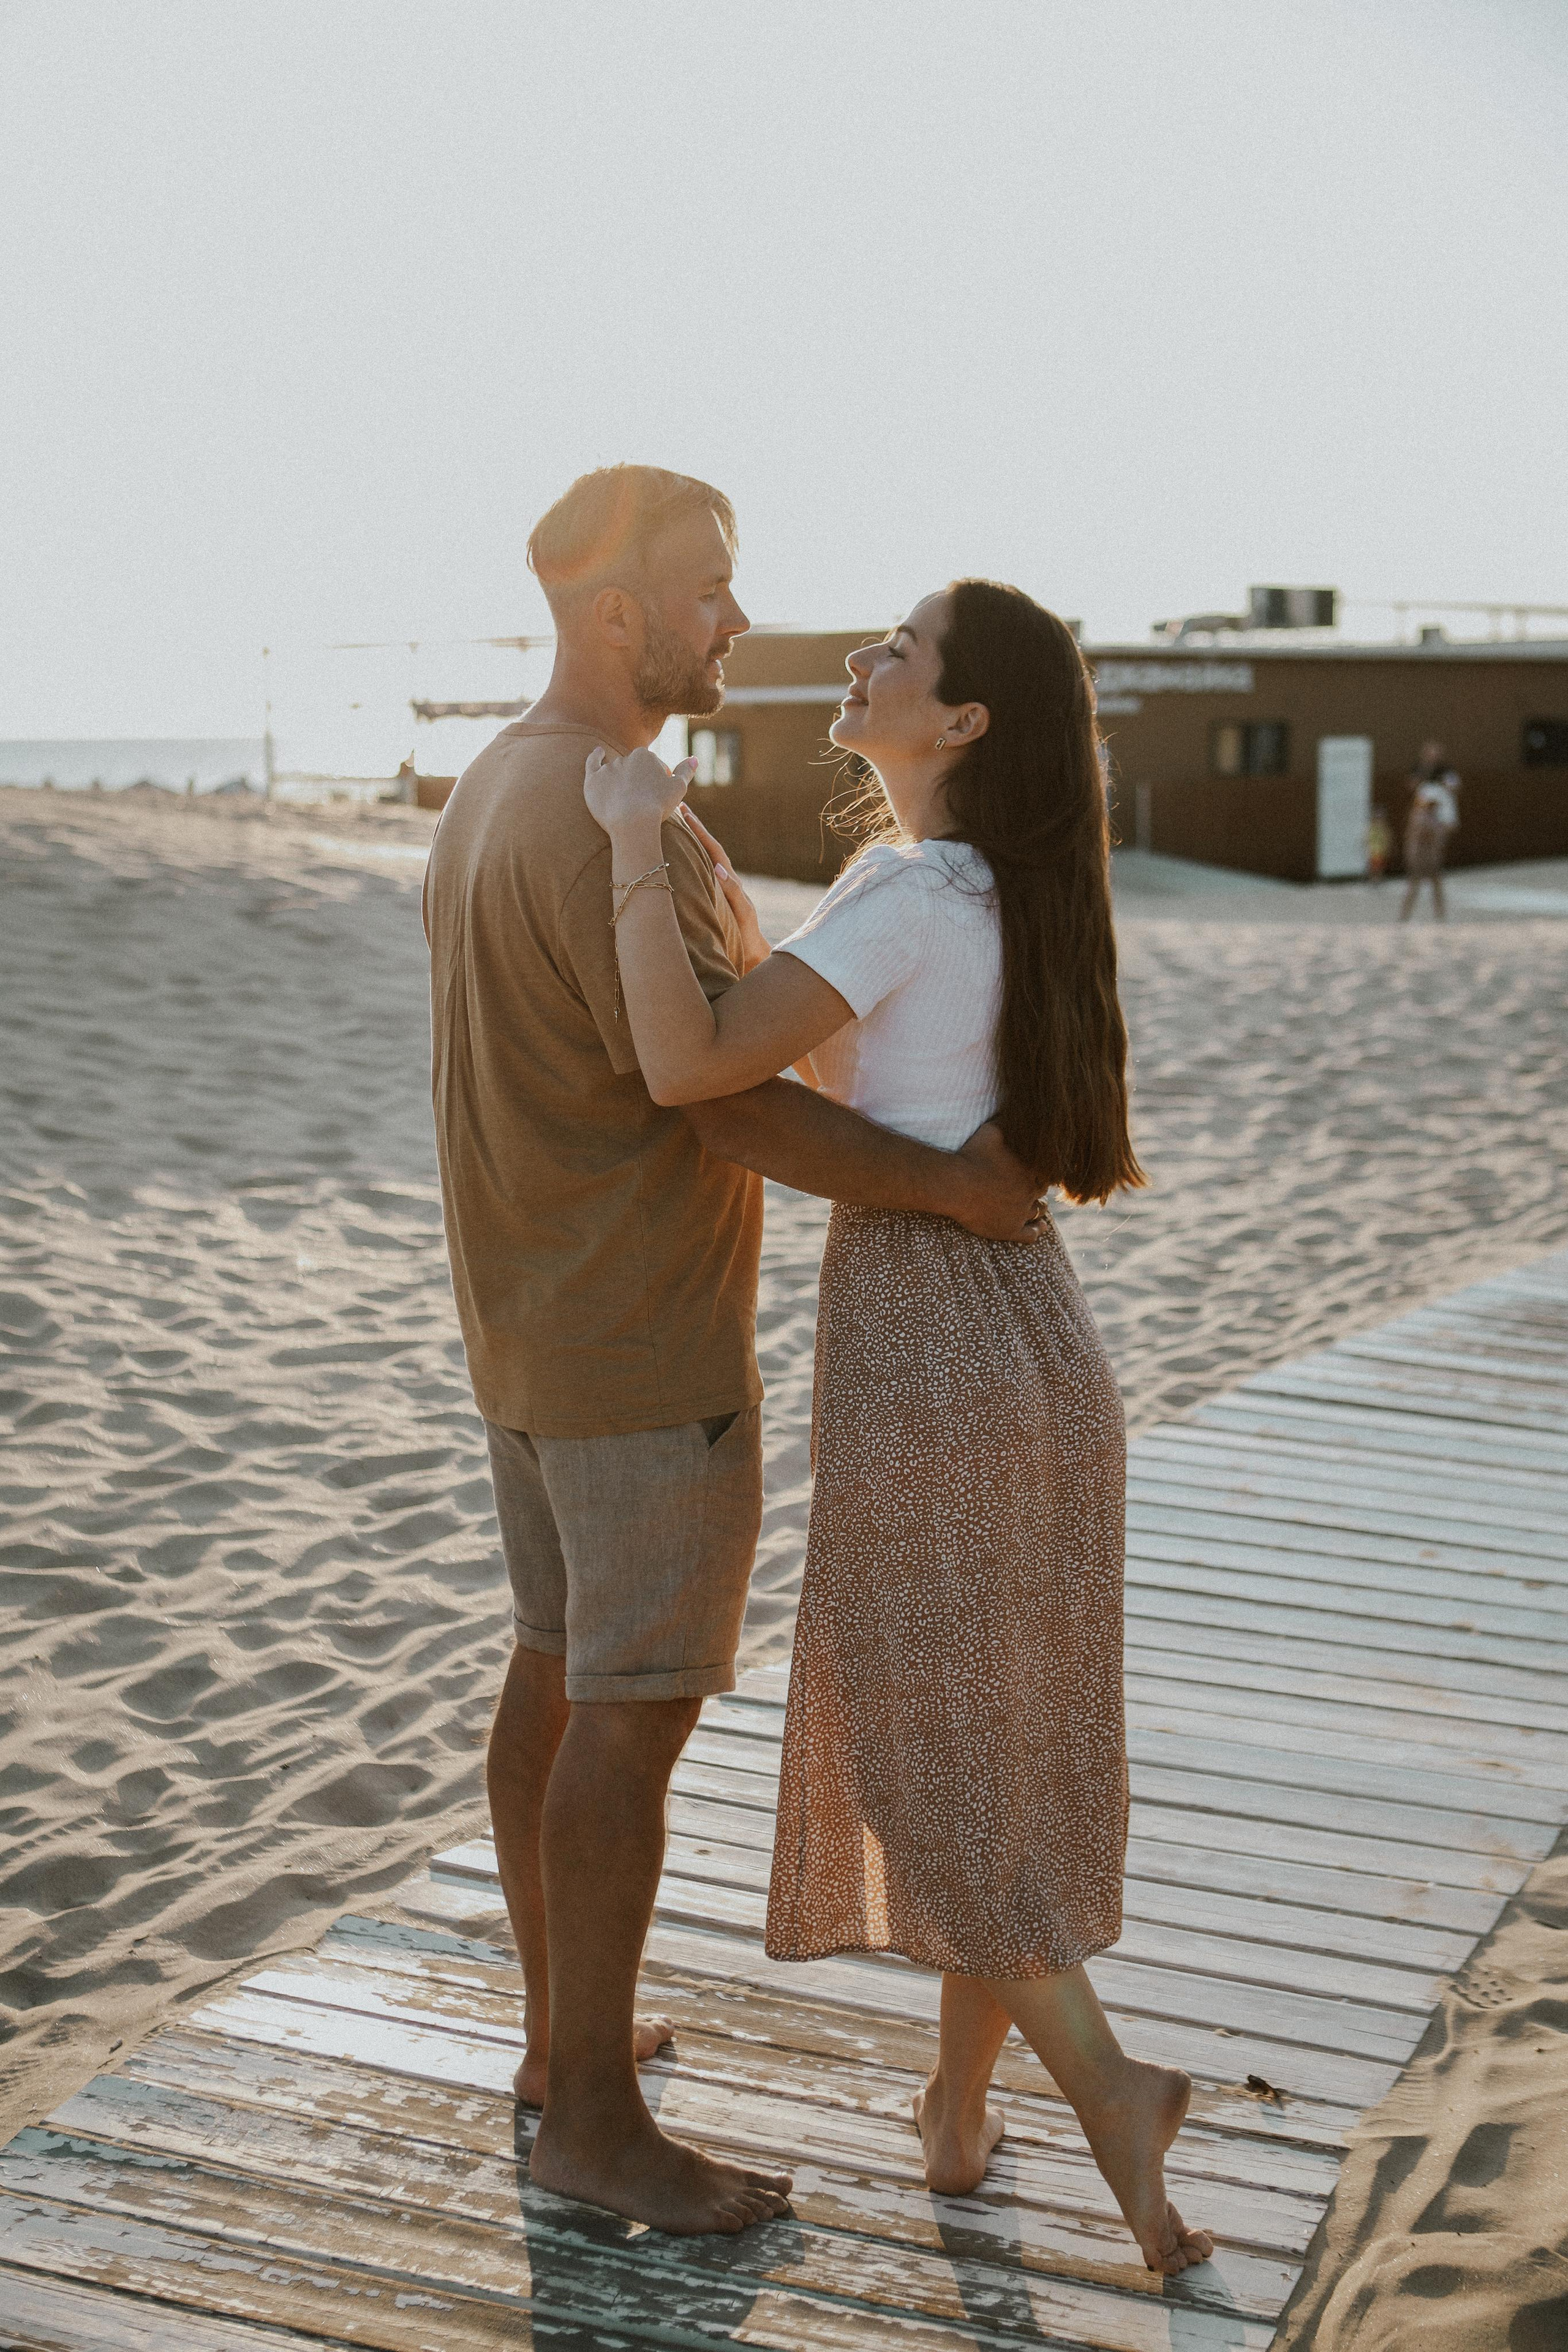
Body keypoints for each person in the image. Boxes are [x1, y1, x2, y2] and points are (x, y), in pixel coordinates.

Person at [422, 469, 1044, 2239]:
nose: (733, 623)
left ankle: (563, 2050)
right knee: (630, 1720)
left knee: (551, 1678)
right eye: (706, 593)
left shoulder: (488, 792)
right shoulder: (641, 834)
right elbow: (725, 1103)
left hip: (527, 1336)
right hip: (643, 1352)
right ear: (618, 612)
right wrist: (955, 1191)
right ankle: (601, 2120)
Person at [586, 578, 1215, 2278]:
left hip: (928, 1343)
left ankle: (1111, 2087)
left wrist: (638, 836)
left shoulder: (912, 883)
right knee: (991, 1752)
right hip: (1044, 1352)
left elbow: (694, 1064)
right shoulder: (1011, 894)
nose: (863, 658)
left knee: (932, 1773)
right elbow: (879, 1061)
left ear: (960, 722)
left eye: (901, 651)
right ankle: (953, 2117)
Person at [1400, 741, 1460, 921]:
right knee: (1415, 882)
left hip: (1432, 844)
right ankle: (1404, 918)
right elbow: (1413, 830)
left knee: (1434, 879)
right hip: (1421, 847)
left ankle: (1440, 917)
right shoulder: (1420, 775)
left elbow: (1454, 787)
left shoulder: (1445, 772)